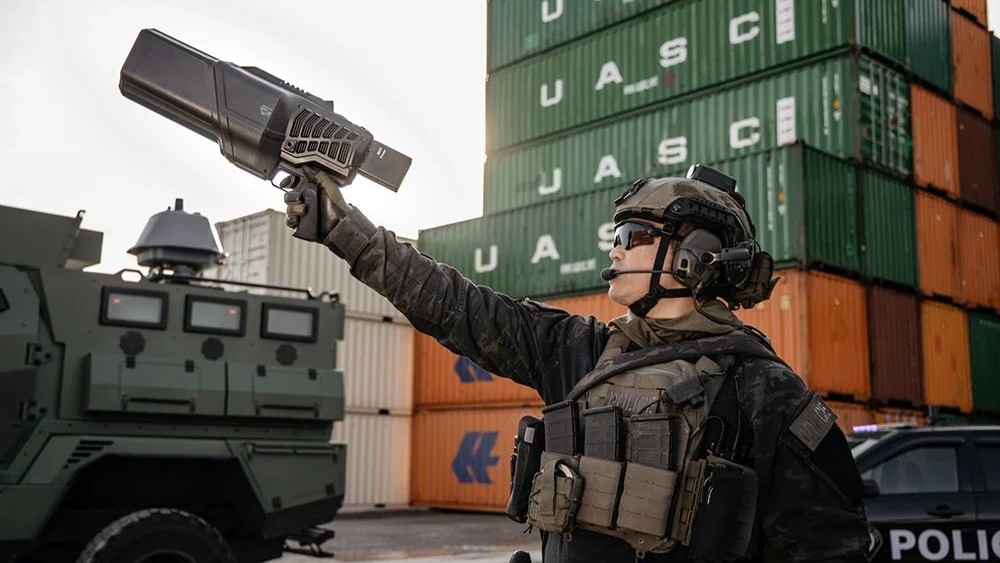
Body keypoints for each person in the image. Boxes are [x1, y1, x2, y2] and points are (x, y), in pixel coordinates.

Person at [283, 165, 880, 563]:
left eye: (636, 233)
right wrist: (344, 228)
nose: (614, 246)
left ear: (696, 259)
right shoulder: (584, 352)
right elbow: (456, 307)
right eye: (617, 233)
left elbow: (834, 548)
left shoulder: (764, 390)